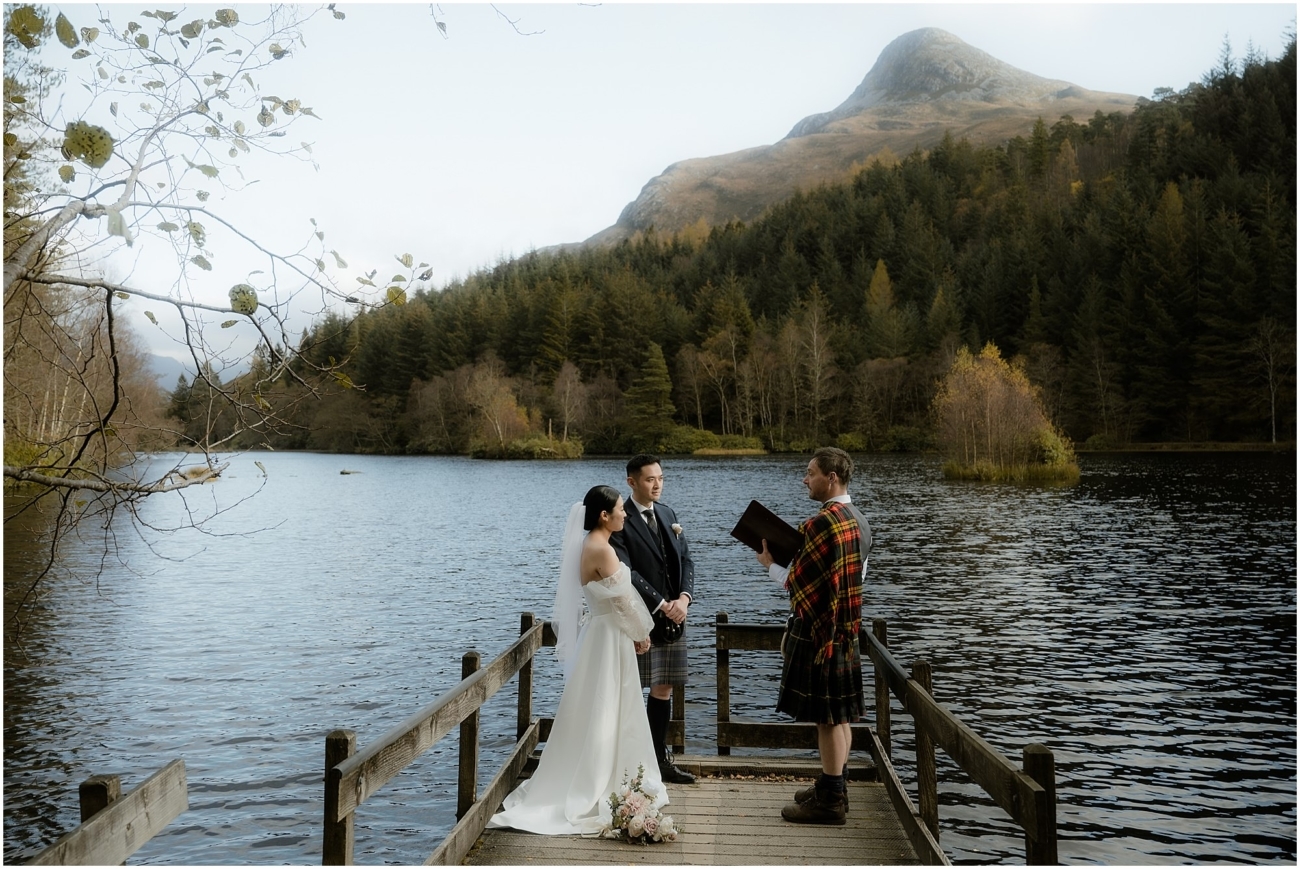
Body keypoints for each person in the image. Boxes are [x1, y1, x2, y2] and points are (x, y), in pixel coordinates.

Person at [487, 486, 666, 836]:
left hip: (597, 634)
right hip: (611, 635)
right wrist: (641, 633)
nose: (625, 514)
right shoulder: (604, 550)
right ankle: (604, 777)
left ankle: (597, 768)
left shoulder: (585, 545)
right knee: (611, 703)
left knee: (594, 703)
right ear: (604, 515)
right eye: (619, 510)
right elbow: (624, 603)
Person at [756, 447, 870, 825]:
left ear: (831, 478)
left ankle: (830, 802)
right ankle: (832, 784)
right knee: (840, 717)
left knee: (827, 719)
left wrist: (770, 565)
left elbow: (798, 584)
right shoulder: (860, 521)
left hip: (820, 634)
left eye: (810, 473)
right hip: (846, 630)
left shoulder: (820, 524)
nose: (805, 479)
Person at [609, 454, 697, 786]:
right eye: (650, 479)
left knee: (664, 689)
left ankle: (660, 761)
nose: (657, 484)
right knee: (627, 690)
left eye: (660, 478)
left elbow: (687, 559)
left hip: (676, 617)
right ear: (631, 482)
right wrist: (661, 603)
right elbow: (624, 571)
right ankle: (626, 763)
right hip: (638, 618)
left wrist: (684, 599)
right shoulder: (620, 519)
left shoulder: (668, 513)